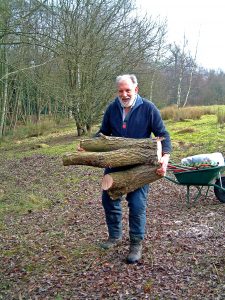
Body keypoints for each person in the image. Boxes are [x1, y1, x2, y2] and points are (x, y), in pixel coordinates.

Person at [99, 74, 171, 263]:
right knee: (108, 200)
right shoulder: (112, 108)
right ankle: (114, 236)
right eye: (121, 91)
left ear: (136, 90)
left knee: (137, 205)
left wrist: (165, 158)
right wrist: (89, 145)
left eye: (127, 90)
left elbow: (163, 135)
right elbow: (103, 133)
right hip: (116, 163)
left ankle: (136, 244)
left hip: (140, 166)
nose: (124, 94)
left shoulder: (148, 108)